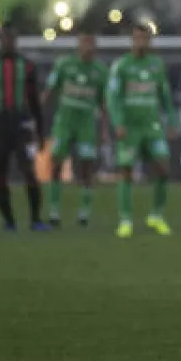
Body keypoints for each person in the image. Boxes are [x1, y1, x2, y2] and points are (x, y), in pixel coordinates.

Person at [0, 7, 48, 232]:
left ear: (16, 40)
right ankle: (9, 222)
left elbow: (34, 102)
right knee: (0, 173)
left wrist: (40, 131)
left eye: (10, 38)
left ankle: (35, 219)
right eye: (3, 38)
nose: (7, 42)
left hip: (21, 123)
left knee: (28, 171)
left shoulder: (28, 67)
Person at [106, 20, 175, 238]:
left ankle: (156, 215)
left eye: (145, 38)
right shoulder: (122, 66)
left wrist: (172, 121)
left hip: (152, 126)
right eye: (137, 38)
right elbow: (113, 97)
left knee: (163, 168)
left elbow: (165, 96)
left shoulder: (156, 65)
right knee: (126, 171)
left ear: (150, 41)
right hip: (130, 128)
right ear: (131, 41)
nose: (141, 42)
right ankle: (125, 220)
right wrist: (117, 122)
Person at [44, 21, 109, 228]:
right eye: (84, 43)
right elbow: (50, 90)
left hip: (86, 124)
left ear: (95, 46)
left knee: (86, 167)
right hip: (64, 122)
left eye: (91, 43)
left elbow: (104, 103)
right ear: (78, 45)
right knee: (56, 163)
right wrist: (37, 113)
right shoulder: (64, 64)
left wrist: (104, 130)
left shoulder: (100, 71)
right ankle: (54, 211)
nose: (87, 47)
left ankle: (84, 213)